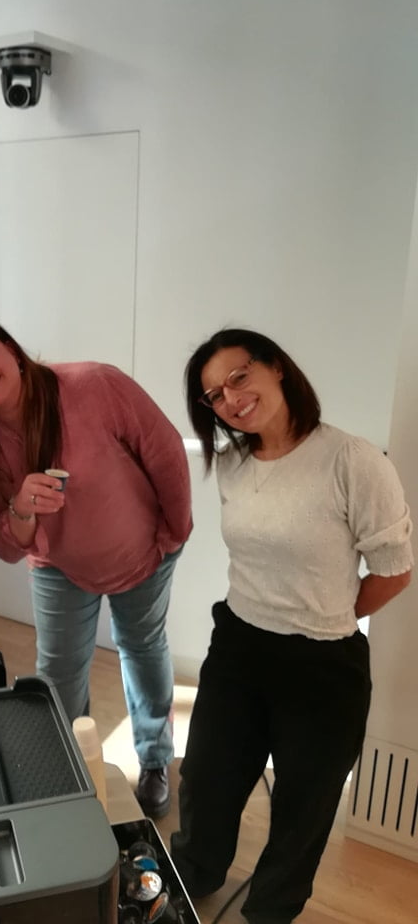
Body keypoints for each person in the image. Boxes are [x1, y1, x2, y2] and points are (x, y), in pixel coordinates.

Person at [171, 328, 413, 924]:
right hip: (238, 645)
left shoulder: (351, 460)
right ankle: (192, 876)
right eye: (214, 395)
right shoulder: (233, 464)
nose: (231, 399)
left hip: (322, 664)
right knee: (206, 776)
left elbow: (394, 572)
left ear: (276, 367)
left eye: (239, 376)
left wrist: (325, 615)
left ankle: (271, 911)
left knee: (305, 804)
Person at [0, 316, 193, 818]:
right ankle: (68, 769)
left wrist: (176, 529)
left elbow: (165, 450)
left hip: (143, 551)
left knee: (142, 648)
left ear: (11, 349)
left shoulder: (94, 384)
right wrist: (21, 509)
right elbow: (5, 548)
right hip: (58, 566)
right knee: (59, 671)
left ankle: (154, 760)